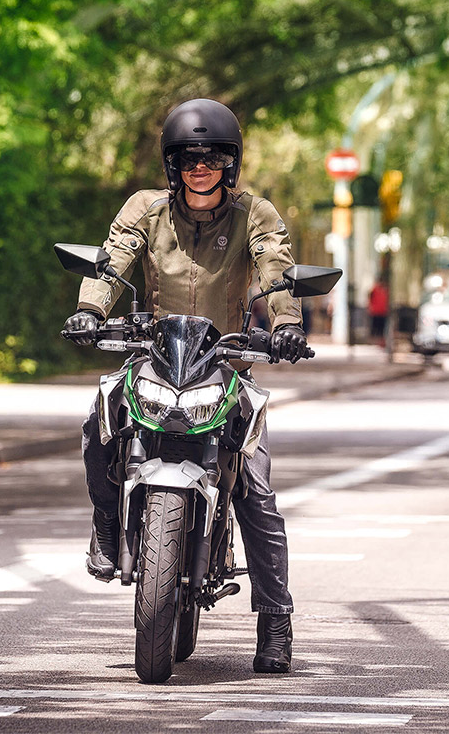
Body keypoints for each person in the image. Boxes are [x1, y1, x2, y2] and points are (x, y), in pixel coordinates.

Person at [63, 98, 307, 674]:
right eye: (189, 159)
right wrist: (90, 311)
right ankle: (106, 524)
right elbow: (114, 259)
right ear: (172, 164)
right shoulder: (145, 208)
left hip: (226, 364)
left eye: (213, 159)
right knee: (98, 425)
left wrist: (286, 326)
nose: (201, 169)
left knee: (256, 491)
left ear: (231, 164)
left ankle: (275, 621)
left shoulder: (254, 212)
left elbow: (275, 267)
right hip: (153, 357)